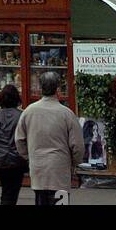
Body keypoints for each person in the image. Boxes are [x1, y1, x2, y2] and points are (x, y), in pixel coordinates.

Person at [14, 70, 84, 206]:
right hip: (60, 170)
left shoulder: (29, 111)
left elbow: (19, 140)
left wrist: (29, 156)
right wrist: (73, 162)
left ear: (41, 88)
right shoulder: (66, 114)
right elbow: (78, 146)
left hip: (38, 169)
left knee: (40, 201)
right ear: (58, 89)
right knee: (60, 202)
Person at [0, 84, 26, 204]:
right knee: (11, 193)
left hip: (1, 160)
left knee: (7, 191)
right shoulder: (21, 116)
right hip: (17, 160)